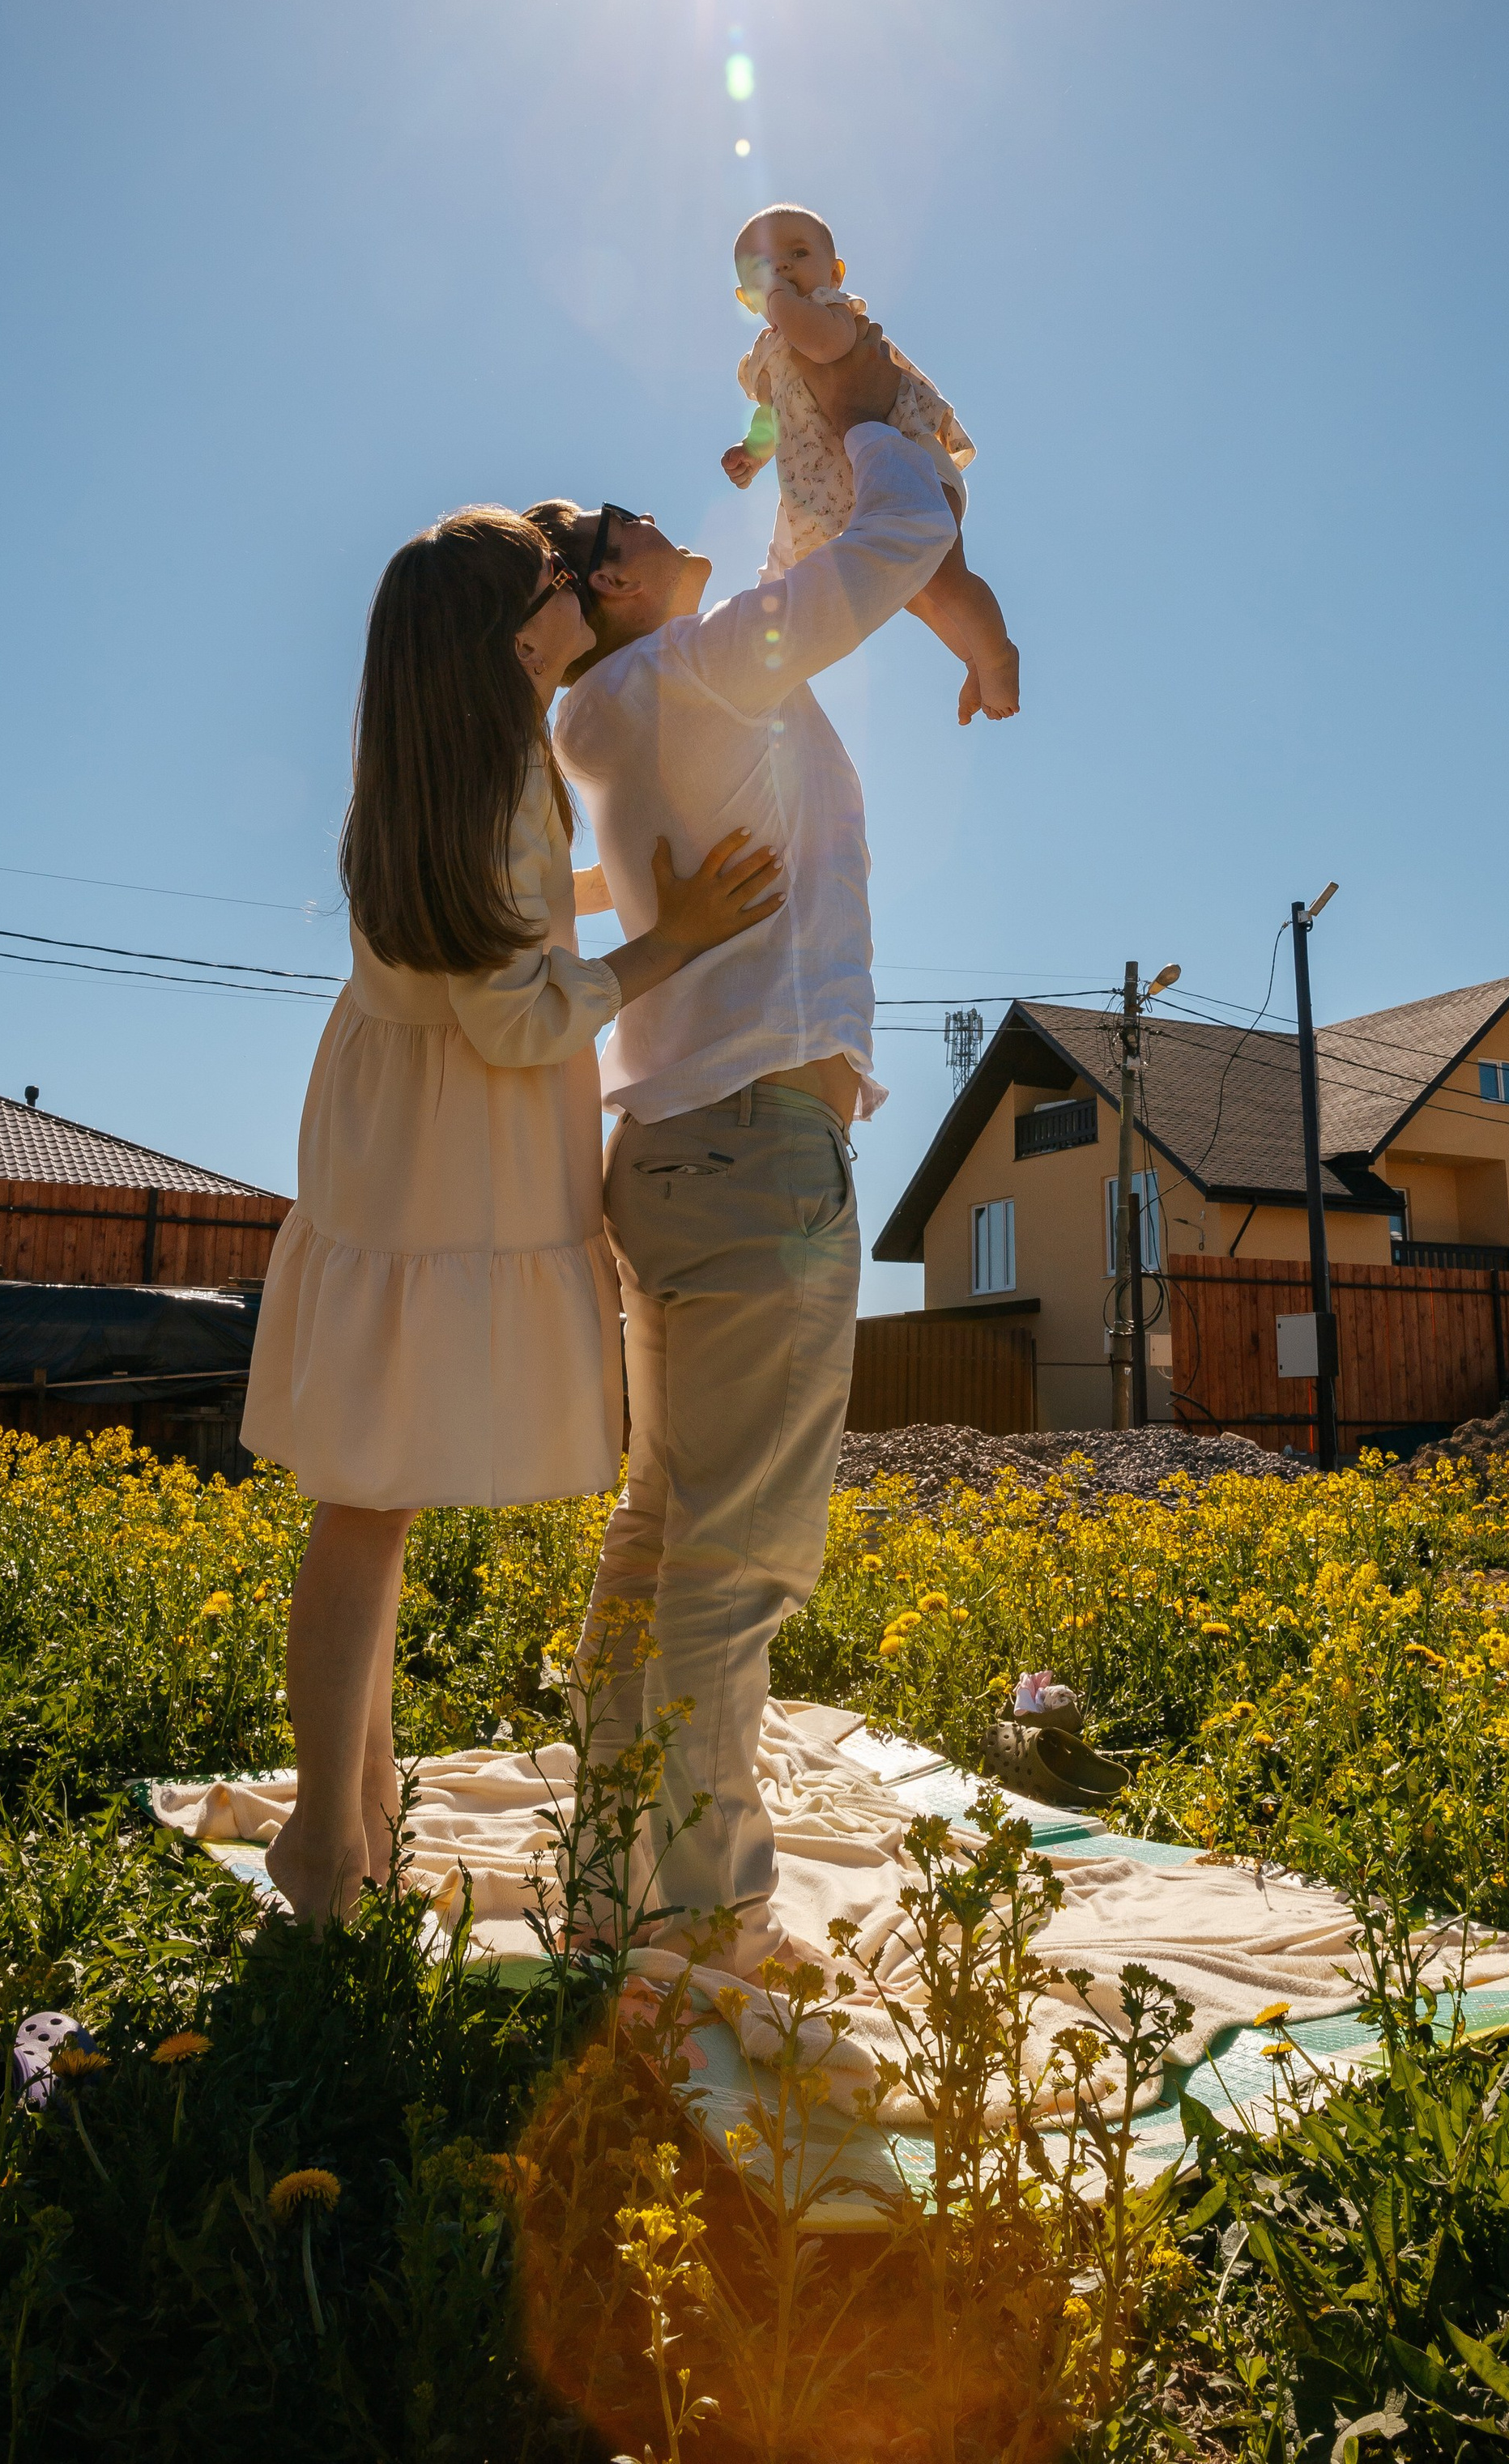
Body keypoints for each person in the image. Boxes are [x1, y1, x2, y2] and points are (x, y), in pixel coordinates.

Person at [242, 506, 781, 1930]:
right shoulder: (496, 792)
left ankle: (351, 1816)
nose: (573, 587)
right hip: (445, 1152)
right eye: (553, 579)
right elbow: (524, 1008)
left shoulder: (454, 771)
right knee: (366, 1503)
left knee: (371, 1495)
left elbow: (519, 916)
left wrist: (625, 880)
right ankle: (321, 1838)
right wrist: (681, 938)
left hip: (392, 1140)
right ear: (514, 632)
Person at [531, 321, 959, 1967]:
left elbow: (802, 573)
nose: (659, 530)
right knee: (732, 1561)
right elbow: (893, 545)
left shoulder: (598, 720)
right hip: (760, 1146)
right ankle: (704, 1928)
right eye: (628, 531)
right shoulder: (690, 667)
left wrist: (801, 445)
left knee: (657, 1532)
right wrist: (870, 419)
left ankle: (607, 1883)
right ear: (611, 592)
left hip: (660, 1146)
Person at [721, 201, 1020, 723]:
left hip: (908, 462)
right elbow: (774, 416)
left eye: (797, 254)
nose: (784, 270)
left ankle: (998, 656)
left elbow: (825, 345)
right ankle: (971, 657)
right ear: (746, 296)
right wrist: (752, 452)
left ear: (834, 272)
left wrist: (785, 306)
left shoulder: (832, 312)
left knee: (945, 577)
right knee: (913, 591)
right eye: (764, 267)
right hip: (849, 492)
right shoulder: (764, 356)